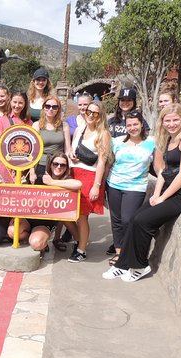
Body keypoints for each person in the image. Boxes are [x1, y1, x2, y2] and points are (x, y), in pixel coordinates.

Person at [104, 104, 181, 282]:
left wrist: (163, 197)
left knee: (142, 221)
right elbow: (164, 171)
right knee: (133, 218)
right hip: (166, 190)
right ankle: (122, 264)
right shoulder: (169, 141)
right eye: (167, 120)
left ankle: (140, 265)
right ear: (162, 122)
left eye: (175, 120)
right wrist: (156, 194)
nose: (171, 124)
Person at [104, 111, 156, 267]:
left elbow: (160, 167)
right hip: (113, 184)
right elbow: (108, 164)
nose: (132, 128)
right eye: (129, 125)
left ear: (141, 124)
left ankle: (128, 253)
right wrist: (100, 185)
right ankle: (119, 253)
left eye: (135, 124)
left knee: (128, 220)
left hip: (136, 187)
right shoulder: (116, 141)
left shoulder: (152, 142)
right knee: (116, 220)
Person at [8, 151, 81, 254]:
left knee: (36, 244)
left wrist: (52, 182)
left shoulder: (65, 181)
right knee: (12, 232)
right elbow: (22, 195)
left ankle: (42, 241)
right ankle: (33, 238)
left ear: (66, 168)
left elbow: (78, 184)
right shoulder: (40, 177)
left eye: (63, 165)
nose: (59, 167)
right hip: (28, 218)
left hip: (45, 223)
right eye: (55, 164)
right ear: (50, 165)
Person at [68, 100, 114, 262]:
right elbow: (73, 149)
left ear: (100, 116)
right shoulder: (81, 128)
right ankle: (80, 240)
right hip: (73, 173)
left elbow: (102, 161)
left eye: (95, 113)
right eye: (89, 111)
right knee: (68, 214)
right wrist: (71, 155)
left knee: (82, 216)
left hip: (89, 176)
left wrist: (97, 185)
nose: (91, 116)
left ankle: (81, 250)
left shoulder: (103, 134)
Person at [29, 95, 72, 184]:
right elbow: (32, 151)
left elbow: (67, 150)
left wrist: (68, 169)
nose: (51, 109)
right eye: (47, 106)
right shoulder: (37, 125)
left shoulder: (64, 126)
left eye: (54, 107)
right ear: (44, 108)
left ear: (58, 109)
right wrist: (32, 172)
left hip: (58, 166)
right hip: (41, 164)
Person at [0, 91, 34, 183]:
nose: (17, 105)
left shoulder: (29, 123)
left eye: (20, 103)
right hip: (4, 165)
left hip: (22, 167)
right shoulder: (1, 121)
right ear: (10, 102)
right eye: (14, 102)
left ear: (25, 104)